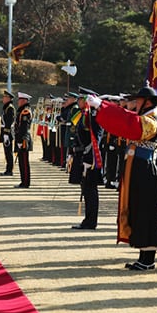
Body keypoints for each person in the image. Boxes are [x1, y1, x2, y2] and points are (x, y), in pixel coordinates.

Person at [85, 86, 157, 271]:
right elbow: (121, 122)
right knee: (138, 212)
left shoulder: (152, 121)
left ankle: (148, 259)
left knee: (146, 213)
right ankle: (143, 256)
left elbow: (129, 123)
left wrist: (102, 106)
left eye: (138, 101)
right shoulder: (144, 117)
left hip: (146, 172)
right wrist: (101, 109)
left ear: (148, 102)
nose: (134, 104)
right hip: (136, 170)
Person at [72, 87, 103, 230]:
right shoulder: (84, 114)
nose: (78, 101)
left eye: (80, 99)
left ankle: (91, 221)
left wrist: (89, 156)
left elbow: (95, 137)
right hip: (82, 155)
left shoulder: (93, 115)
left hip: (89, 157)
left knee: (90, 189)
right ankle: (88, 219)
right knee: (86, 189)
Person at [14, 92, 33, 188]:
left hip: (24, 139)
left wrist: (21, 141)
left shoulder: (25, 111)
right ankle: (23, 181)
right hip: (21, 139)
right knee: (21, 162)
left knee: (24, 162)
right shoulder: (22, 110)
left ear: (24, 101)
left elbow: (24, 128)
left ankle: (26, 182)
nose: (18, 102)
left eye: (20, 100)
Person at [0, 90, 16, 176]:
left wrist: (6, 133)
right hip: (4, 131)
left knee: (9, 152)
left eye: (5, 97)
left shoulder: (10, 108)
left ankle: (9, 170)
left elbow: (9, 122)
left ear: (9, 98)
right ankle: (8, 169)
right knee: (6, 152)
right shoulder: (6, 107)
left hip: (7, 132)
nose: (3, 98)